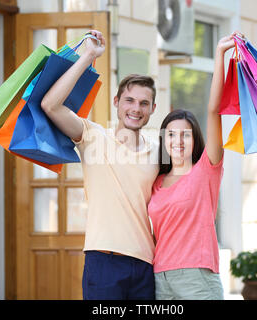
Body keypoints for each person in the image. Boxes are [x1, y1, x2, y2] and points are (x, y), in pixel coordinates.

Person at [40, 30, 159, 300]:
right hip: (103, 262)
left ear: (153, 108)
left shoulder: (159, 153)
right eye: (129, 100)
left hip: (146, 264)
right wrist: (88, 56)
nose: (136, 108)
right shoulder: (93, 135)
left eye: (144, 103)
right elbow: (50, 104)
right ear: (117, 102)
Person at [148, 31, 244, 300]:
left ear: (195, 140)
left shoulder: (206, 170)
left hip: (197, 278)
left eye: (185, 134)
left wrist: (219, 55)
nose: (178, 141)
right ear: (163, 140)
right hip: (159, 278)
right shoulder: (156, 181)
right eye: (171, 134)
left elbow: (214, 111)